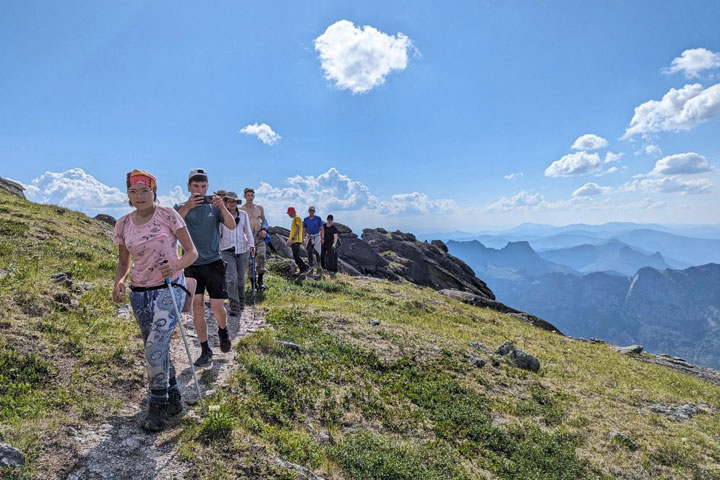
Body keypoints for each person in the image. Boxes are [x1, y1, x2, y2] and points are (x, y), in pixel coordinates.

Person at [112, 169, 199, 432]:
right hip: (139, 292)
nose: (139, 196)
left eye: (144, 191)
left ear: (154, 192)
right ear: (128, 195)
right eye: (133, 192)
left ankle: (156, 409)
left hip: (169, 287)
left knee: (155, 347)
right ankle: (174, 398)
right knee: (156, 348)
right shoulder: (123, 224)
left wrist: (176, 265)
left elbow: (192, 252)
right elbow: (124, 262)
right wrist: (119, 281)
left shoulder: (168, 215)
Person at [175, 168, 236, 366]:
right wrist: (187, 207)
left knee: (218, 307)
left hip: (213, 263)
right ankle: (205, 349)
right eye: (196, 186)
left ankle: (223, 331)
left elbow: (232, 225)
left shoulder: (214, 206)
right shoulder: (180, 207)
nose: (200, 191)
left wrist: (223, 207)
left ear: (207, 186)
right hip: (190, 264)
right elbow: (172, 227)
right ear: (188, 186)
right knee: (197, 306)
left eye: (203, 186)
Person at [218, 191, 254, 316]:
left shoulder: (243, 215)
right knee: (231, 279)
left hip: (242, 250)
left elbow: (248, 231)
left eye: (234, 201)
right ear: (226, 203)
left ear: (237, 203)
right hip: (226, 250)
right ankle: (234, 307)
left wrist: (251, 245)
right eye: (229, 201)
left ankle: (242, 303)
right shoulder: (221, 215)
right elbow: (218, 232)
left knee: (240, 279)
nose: (232, 204)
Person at [240, 187, 268, 290]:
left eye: (252, 195)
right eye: (248, 195)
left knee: (261, 256)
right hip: (247, 236)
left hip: (259, 235)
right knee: (250, 261)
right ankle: (253, 284)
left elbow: (264, 220)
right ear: (244, 196)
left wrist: (264, 229)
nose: (250, 197)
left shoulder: (259, 208)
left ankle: (261, 281)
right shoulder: (241, 210)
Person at [286, 206, 308, 274]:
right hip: (294, 241)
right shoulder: (294, 219)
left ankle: (304, 269)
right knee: (296, 256)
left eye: (289, 213)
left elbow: (298, 229)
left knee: (296, 256)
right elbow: (292, 231)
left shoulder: (297, 218)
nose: (288, 215)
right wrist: (289, 240)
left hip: (296, 240)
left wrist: (292, 239)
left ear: (291, 213)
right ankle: (305, 267)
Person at [303, 206, 323, 273]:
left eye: (312, 211)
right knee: (309, 251)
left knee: (317, 251)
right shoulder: (306, 219)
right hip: (309, 237)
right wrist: (303, 238)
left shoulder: (318, 219)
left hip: (317, 236)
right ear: (308, 211)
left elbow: (321, 228)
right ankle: (311, 265)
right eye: (310, 210)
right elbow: (304, 229)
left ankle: (319, 264)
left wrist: (322, 237)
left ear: (314, 211)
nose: (311, 212)